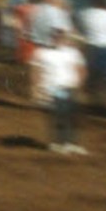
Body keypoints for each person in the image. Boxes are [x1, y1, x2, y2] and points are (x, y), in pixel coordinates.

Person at [32, 27, 87, 155]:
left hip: (70, 87)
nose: (58, 40)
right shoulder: (42, 53)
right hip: (53, 88)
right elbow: (36, 72)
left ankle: (71, 143)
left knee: (72, 116)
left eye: (61, 38)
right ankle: (59, 143)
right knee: (60, 114)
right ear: (51, 38)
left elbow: (81, 70)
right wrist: (37, 89)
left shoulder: (73, 53)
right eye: (55, 37)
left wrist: (79, 87)